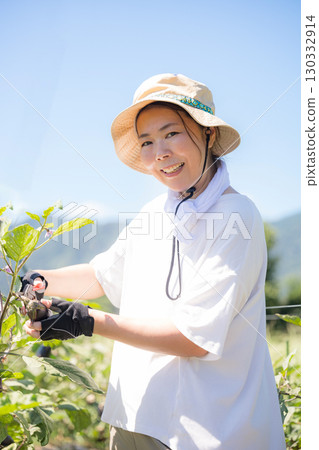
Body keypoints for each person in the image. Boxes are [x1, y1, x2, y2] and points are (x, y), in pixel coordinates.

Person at [23, 73, 286, 450]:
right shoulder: (154, 213)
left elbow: (194, 339)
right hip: (132, 419)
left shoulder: (237, 215)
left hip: (205, 433)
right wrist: (37, 279)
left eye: (172, 134)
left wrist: (86, 321)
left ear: (209, 135)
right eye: (146, 141)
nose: (159, 152)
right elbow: (101, 276)